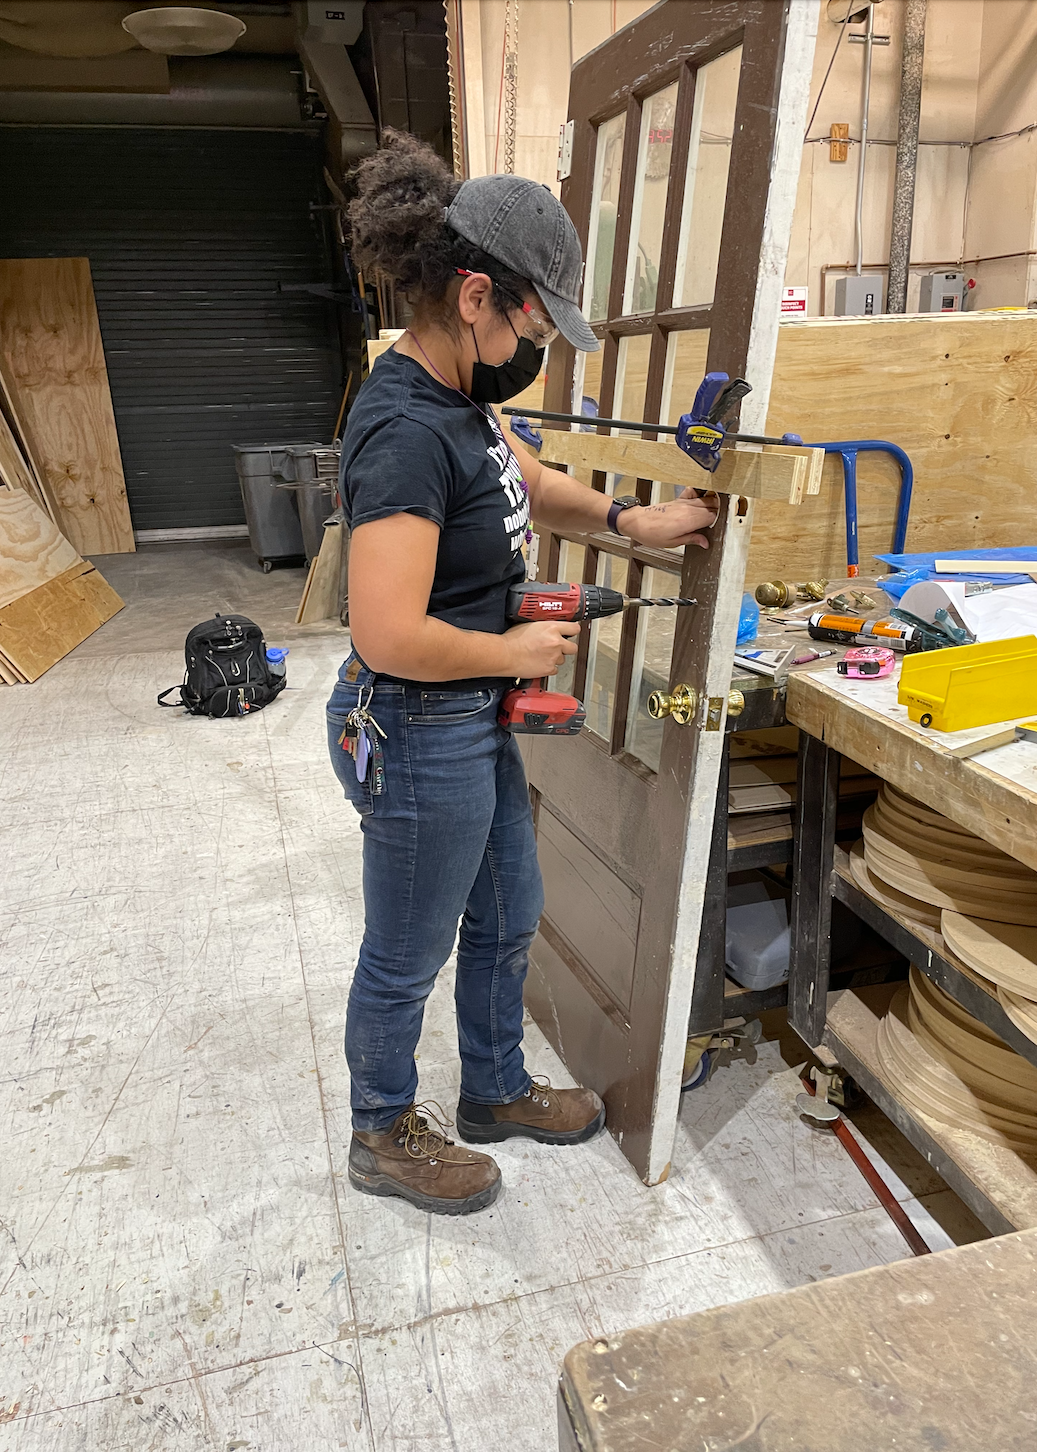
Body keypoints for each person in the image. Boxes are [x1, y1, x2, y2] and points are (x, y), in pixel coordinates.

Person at [328, 130, 717, 1216]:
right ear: (472, 296)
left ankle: (493, 1090)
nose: (534, 341)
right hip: (413, 715)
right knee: (407, 950)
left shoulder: (461, 398)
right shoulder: (403, 428)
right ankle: (382, 1131)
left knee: (507, 912)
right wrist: (513, 650)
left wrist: (628, 517)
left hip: (466, 711)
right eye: (531, 318)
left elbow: (521, 477)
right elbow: (385, 631)